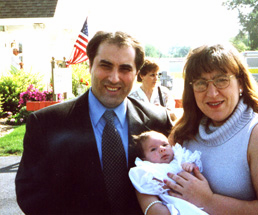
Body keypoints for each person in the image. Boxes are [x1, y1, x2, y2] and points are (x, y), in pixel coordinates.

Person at [15, 31, 173, 215]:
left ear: (137, 72)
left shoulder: (158, 121)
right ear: (90, 65)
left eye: (125, 69)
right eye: (105, 66)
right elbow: (31, 194)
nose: (114, 78)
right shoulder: (46, 124)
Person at [160, 43, 258, 214]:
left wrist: (209, 201)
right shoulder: (183, 132)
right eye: (201, 83)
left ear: (240, 83)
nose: (212, 93)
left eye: (221, 80)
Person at [129, 130, 208, 215]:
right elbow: (145, 185)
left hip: (195, 199)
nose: (162, 149)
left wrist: (190, 165)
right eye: (153, 149)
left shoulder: (179, 157)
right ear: (144, 158)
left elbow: (196, 165)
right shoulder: (149, 168)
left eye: (164, 145)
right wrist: (158, 184)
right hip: (172, 204)